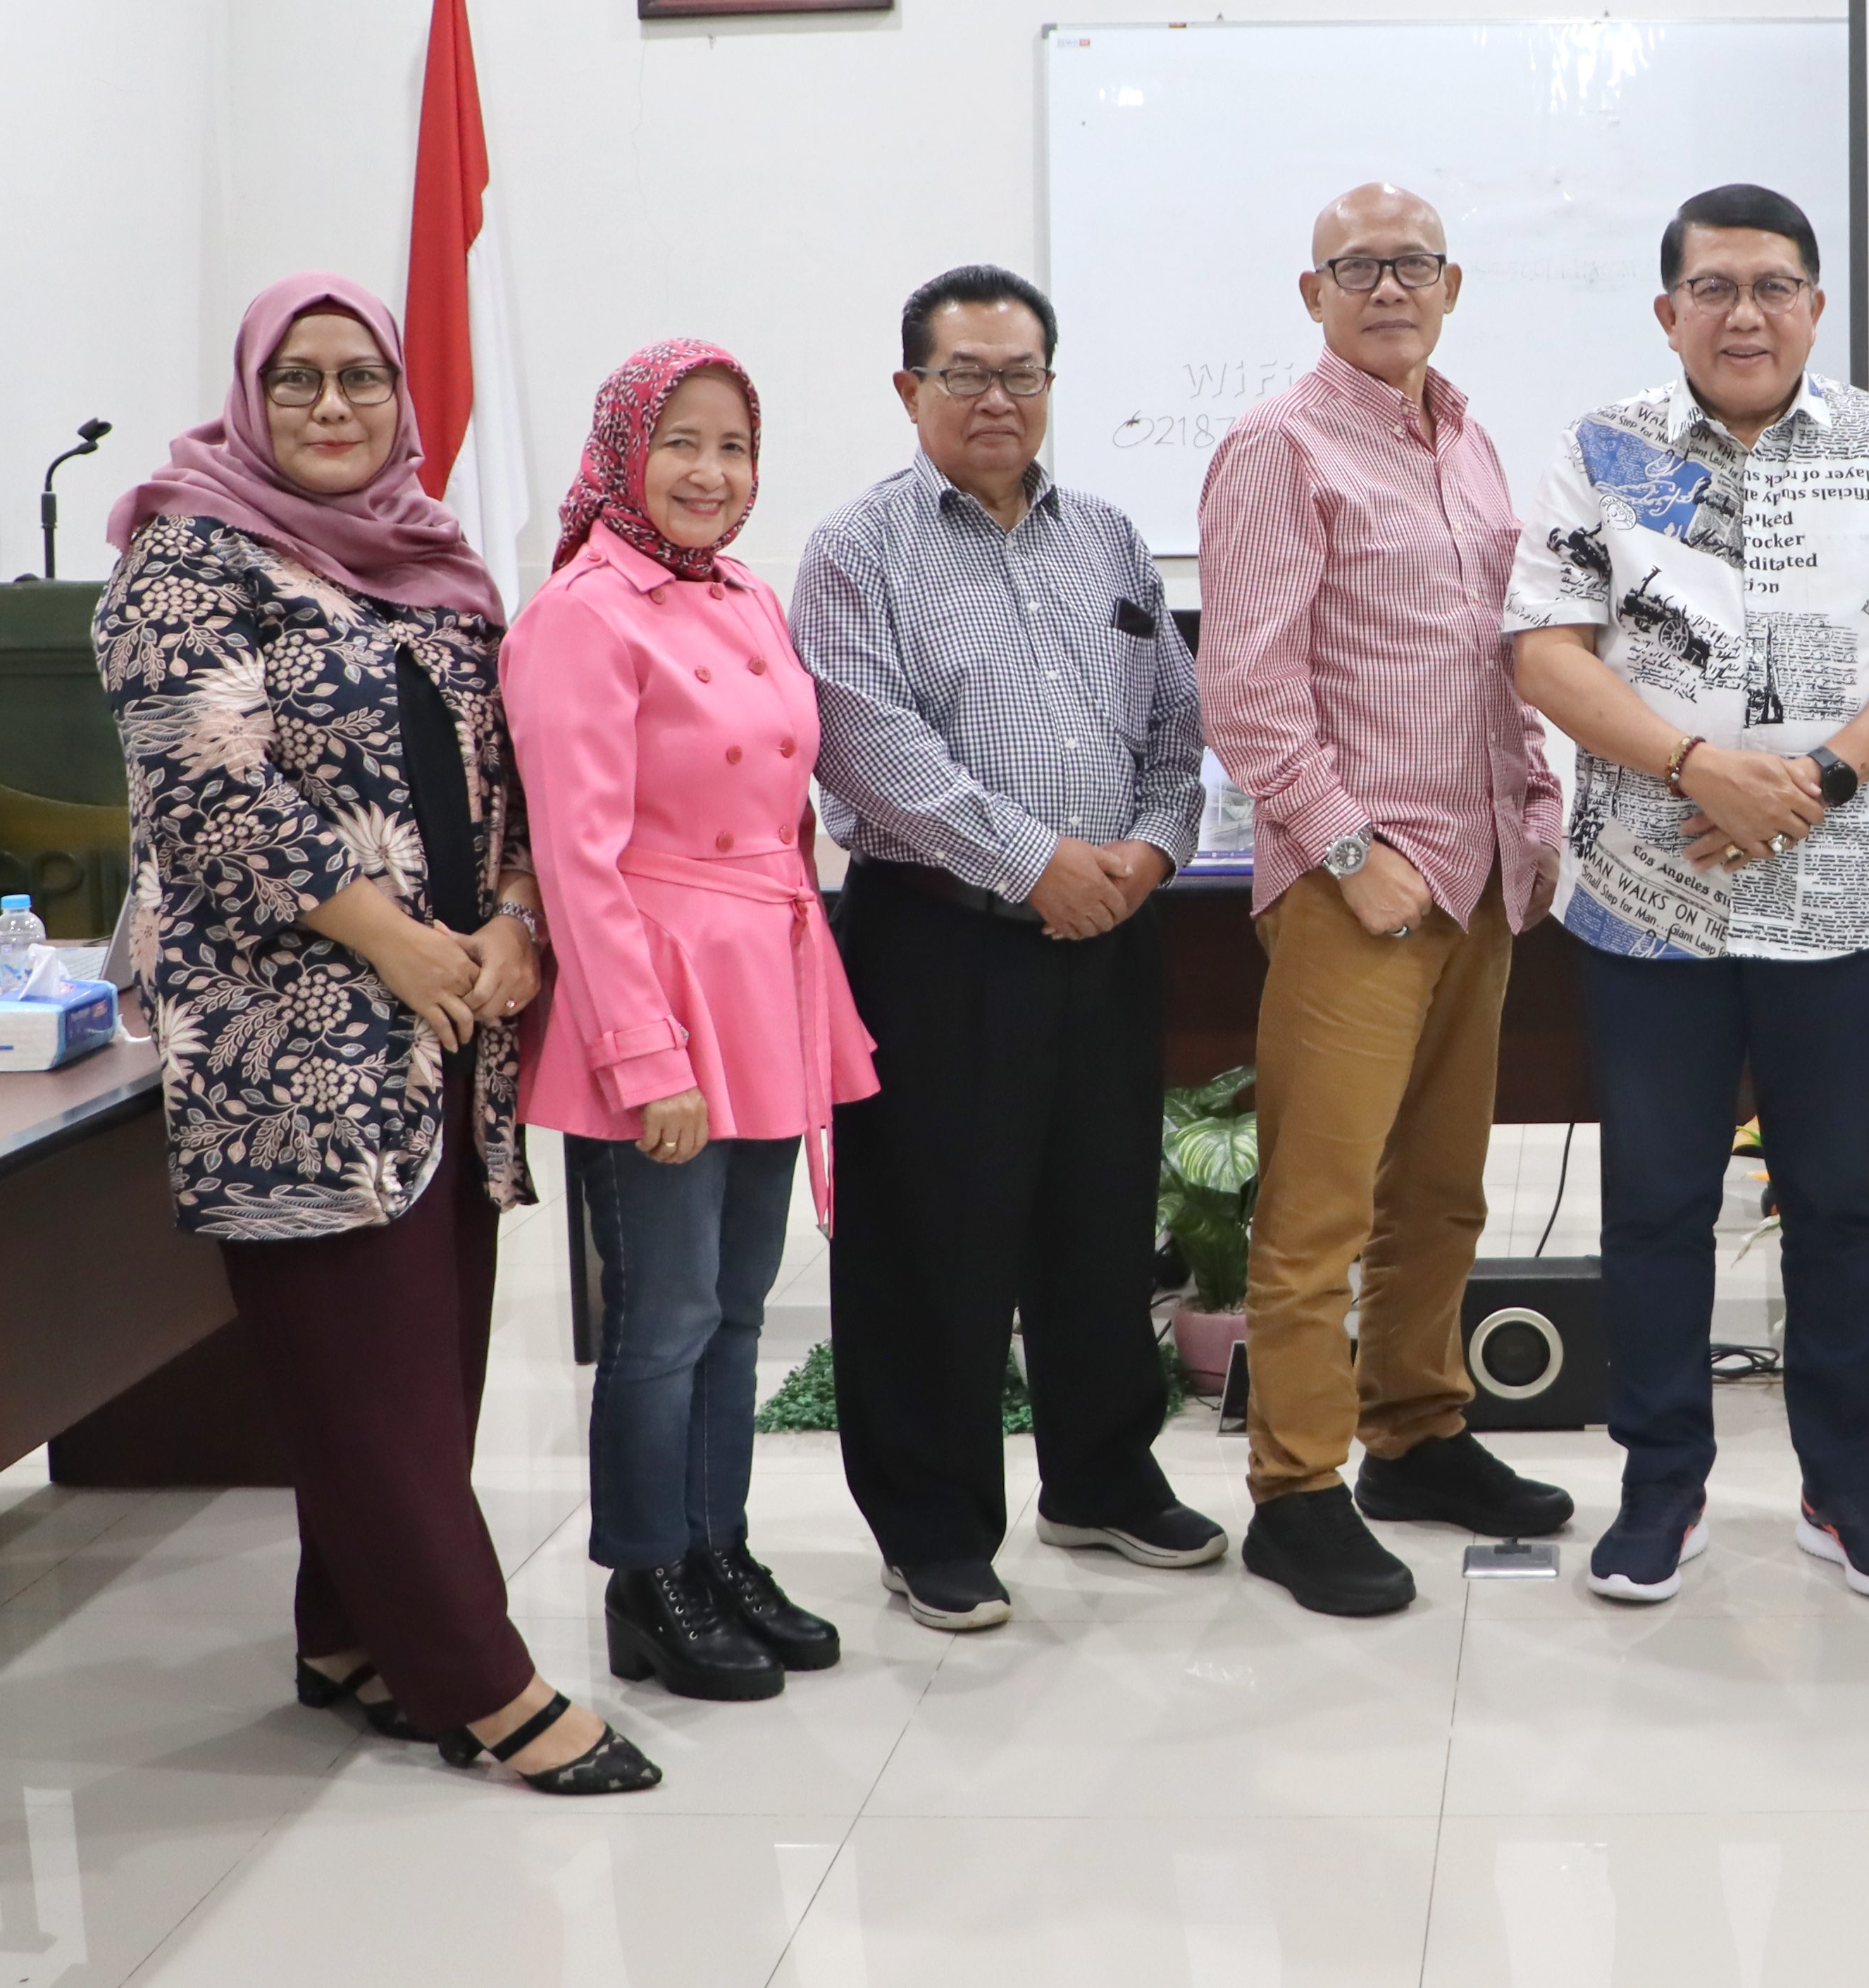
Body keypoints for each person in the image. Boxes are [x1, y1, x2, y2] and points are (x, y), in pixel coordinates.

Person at [96, 274, 653, 1796]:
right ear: (248, 398)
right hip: (296, 1051)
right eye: (300, 382)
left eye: (361, 380)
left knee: (422, 1368)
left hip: (454, 1030)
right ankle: (485, 1687)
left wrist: (518, 927)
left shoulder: (437, 568)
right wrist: (400, 940)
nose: (335, 409)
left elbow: (515, 775)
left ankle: (349, 1634)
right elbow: (207, 795)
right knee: (368, 1378)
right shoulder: (188, 557)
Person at [1505, 182, 1869, 1605]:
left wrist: (1818, 782)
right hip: (1647, 901)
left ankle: (1845, 1493)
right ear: (1667, 310)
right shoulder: (1599, 446)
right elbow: (1543, 648)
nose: (1744, 311)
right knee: (1655, 1205)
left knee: (1838, 1204)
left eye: (1772, 284)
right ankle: (1660, 1492)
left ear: (1815, 304)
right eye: (1713, 287)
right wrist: (1695, 767)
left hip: (1837, 894)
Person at [794, 263, 1222, 1631]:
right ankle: (931, 1523)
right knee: (932, 1239)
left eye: (1020, 372)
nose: (996, 397)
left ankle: (1100, 1479)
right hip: (939, 938)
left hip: (1107, 931)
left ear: (1050, 383)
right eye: (966, 374)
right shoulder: (856, 550)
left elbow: (1176, 724)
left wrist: (1149, 851)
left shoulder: (1105, 536)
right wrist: (1035, 864)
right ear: (909, 388)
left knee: (1099, 1223)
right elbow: (870, 747)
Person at [1196, 184, 1575, 1617]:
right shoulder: (1273, 448)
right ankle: (1298, 1489)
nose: (1387, 287)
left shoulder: (1468, 437)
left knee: (1442, 1192)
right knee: (1316, 1211)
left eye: (1411, 263)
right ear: (1312, 294)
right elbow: (1246, 694)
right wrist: (1353, 854)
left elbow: (1503, 653)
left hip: (1479, 879)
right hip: (1362, 888)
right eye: (1356, 267)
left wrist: (1531, 809)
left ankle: (1416, 1433)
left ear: (1452, 281)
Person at [504, 340, 878, 1701]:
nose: (711, 473)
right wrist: (642, 1054)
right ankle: (645, 1575)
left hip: (767, 984)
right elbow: (578, 865)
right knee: (659, 1320)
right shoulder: (582, 616)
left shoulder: (745, 601)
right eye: (681, 443)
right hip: (654, 996)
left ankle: (720, 1548)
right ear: (622, 453)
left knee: (734, 1311)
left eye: (733, 447)